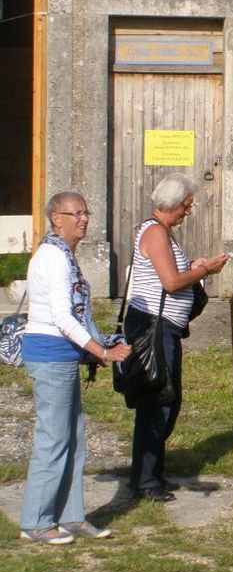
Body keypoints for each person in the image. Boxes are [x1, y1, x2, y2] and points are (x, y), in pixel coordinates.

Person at [19, 192, 132, 544]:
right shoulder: (52, 258)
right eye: (76, 213)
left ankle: (70, 517)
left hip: (63, 355)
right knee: (53, 440)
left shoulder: (65, 256)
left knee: (75, 441)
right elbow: (62, 317)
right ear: (57, 218)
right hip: (50, 354)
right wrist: (101, 352)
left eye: (87, 211)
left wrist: (101, 348)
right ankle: (35, 523)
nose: (84, 218)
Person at [124, 173, 229, 502]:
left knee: (165, 400)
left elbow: (169, 277)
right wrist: (204, 271)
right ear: (171, 205)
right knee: (159, 403)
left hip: (162, 326)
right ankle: (145, 480)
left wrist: (194, 267)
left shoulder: (161, 232)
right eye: (186, 205)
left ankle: (150, 473)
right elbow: (170, 283)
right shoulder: (156, 233)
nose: (188, 211)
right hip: (154, 327)